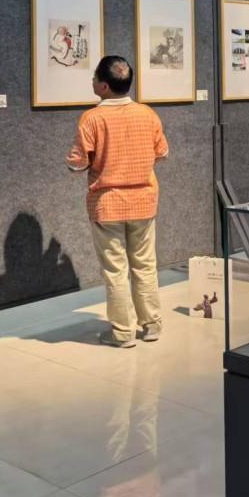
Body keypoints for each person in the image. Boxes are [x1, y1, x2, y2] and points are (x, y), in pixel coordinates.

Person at [66, 55, 169, 348]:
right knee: (145, 265)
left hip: (107, 203)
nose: (92, 81)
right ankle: (151, 325)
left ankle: (122, 333)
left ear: (104, 86)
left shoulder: (92, 118)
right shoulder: (147, 114)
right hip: (144, 201)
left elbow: (77, 162)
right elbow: (162, 152)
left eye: (95, 77)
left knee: (115, 270)